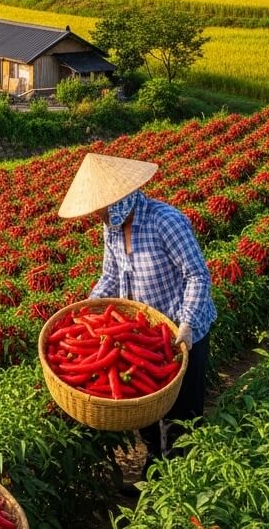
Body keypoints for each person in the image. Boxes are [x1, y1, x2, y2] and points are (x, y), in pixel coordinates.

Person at [58, 153, 216, 478]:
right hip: (143, 337)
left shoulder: (165, 221)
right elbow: (111, 277)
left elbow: (197, 275)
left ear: (120, 198)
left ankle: (178, 485)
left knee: (180, 416)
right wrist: (85, 312)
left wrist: (186, 324)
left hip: (182, 333)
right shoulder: (113, 228)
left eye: (101, 208)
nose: (99, 215)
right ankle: (154, 471)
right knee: (144, 410)